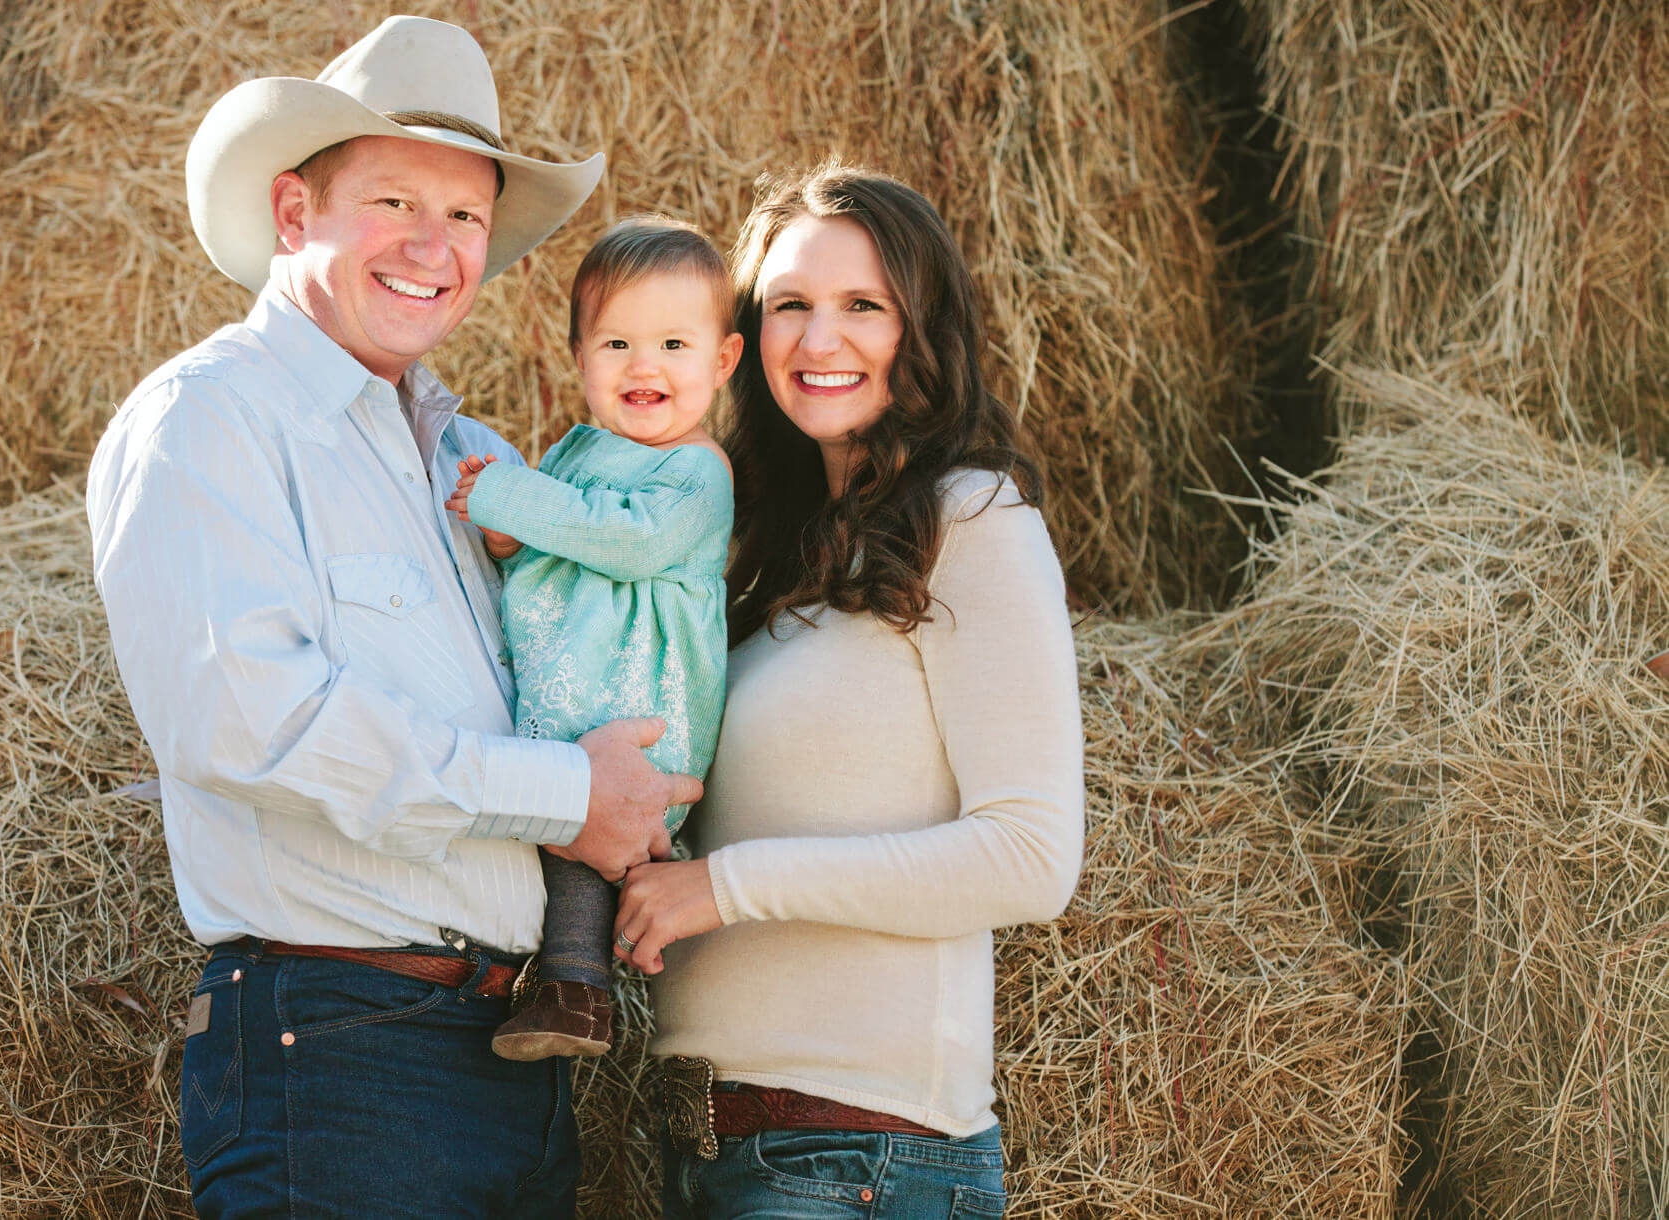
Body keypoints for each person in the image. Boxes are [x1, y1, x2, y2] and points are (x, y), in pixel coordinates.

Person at [85, 19, 700, 1219]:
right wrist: (569, 795)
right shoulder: (212, 418)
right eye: (394, 200)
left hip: (503, 1054)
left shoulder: (451, 456)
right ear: (292, 210)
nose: (435, 246)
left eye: (465, 216)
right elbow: (247, 718)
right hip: (344, 1051)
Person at [613, 164, 1087, 1218]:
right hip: (715, 1151)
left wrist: (721, 887)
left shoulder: (972, 518)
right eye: (789, 305)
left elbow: (1031, 855)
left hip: (858, 1161)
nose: (818, 340)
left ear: (924, 328)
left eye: (861, 305)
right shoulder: (767, 559)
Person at [443, 217, 739, 1060]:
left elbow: (626, 539)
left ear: (722, 361)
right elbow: (556, 541)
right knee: (548, 829)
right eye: (615, 343)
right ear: (578, 357)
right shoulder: (576, 454)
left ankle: (577, 994)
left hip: (636, 702)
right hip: (568, 686)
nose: (644, 366)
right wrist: (507, 538)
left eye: (675, 344)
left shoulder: (697, 472)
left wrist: (510, 501)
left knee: (586, 840)